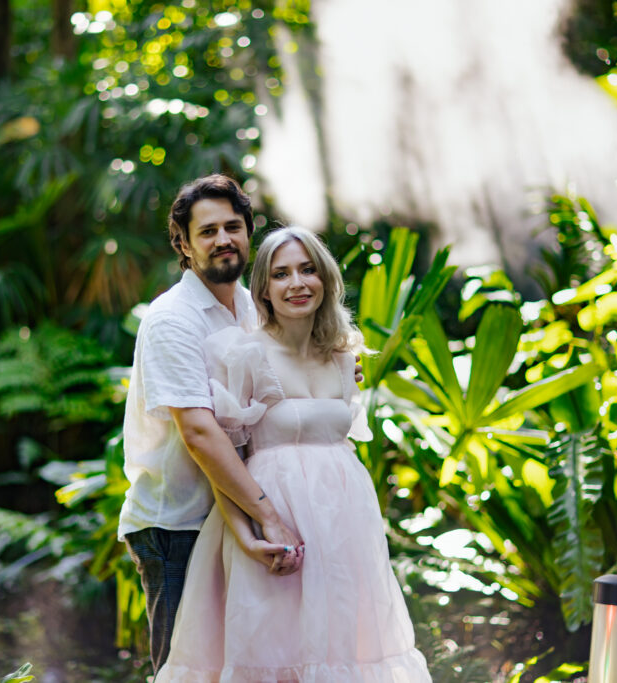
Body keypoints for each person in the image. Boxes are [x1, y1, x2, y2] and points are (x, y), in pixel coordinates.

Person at [156, 227, 431, 682]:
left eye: (307, 270)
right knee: (271, 652)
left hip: (344, 531)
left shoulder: (345, 358)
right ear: (262, 287)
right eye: (281, 274)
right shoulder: (242, 354)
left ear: (325, 278)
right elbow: (224, 456)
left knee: (346, 652)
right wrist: (246, 534)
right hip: (275, 524)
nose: (297, 283)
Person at [119, 175, 304, 673]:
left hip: (237, 510)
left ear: (248, 231)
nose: (223, 239)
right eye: (207, 231)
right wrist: (267, 515)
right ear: (183, 243)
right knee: (185, 670)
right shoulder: (172, 320)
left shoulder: (251, 306)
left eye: (233, 226)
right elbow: (200, 433)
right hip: (178, 524)